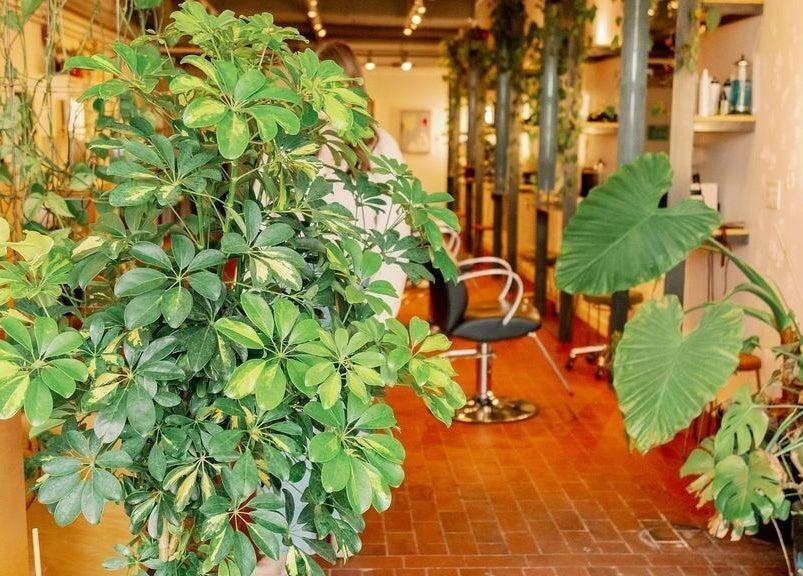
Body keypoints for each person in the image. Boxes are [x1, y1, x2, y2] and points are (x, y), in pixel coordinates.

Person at [315, 41, 412, 319]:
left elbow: (398, 220)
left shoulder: (378, 142)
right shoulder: (306, 137)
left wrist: (383, 308)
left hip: (361, 275)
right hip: (317, 275)